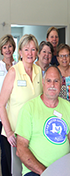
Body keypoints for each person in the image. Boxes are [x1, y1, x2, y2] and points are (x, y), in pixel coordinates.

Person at [16, 66, 70, 176]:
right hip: (36, 171)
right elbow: (21, 148)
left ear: (61, 83)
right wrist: (45, 172)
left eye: (56, 81)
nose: (52, 85)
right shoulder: (29, 108)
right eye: (48, 81)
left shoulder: (67, 106)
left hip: (64, 170)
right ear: (43, 82)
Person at [0, 34, 42, 176]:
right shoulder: (13, 72)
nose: (30, 53)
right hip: (14, 135)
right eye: (26, 49)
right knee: (15, 172)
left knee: (30, 170)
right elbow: (1, 104)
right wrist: (9, 132)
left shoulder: (38, 71)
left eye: (33, 49)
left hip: (32, 133)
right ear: (20, 52)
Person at [0, 34, 17, 176]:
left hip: (13, 114)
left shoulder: (18, 66)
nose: (7, 50)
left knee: (13, 150)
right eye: (4, 47)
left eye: (10, 46)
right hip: (1, 114)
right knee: (4, 152)